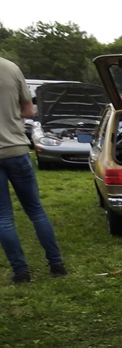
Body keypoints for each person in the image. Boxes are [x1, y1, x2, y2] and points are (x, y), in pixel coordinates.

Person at [0, 56, 66, 283]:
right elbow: (29, 111)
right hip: (16, 149)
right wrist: (9, 114)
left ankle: (21, 272)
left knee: (3, 217)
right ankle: (56, 265)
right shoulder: (10, 68)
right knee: (36, 210)